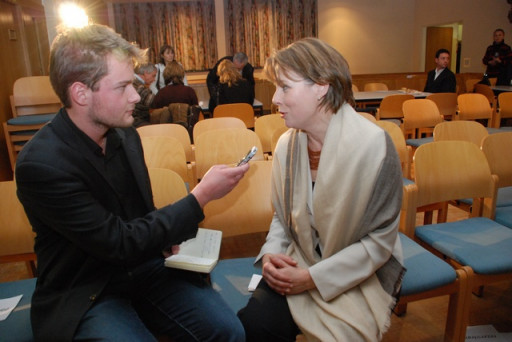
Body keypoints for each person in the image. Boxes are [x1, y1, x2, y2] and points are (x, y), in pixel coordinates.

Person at [15, 24, 248, 342]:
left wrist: (165, 242)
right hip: (87, 288)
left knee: (228, 331)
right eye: (123, 86)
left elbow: (141, 215)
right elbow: (118, 242)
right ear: (81, 93)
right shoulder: (41, 164)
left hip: (145, 268)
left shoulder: (125, 135)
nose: (136, 95)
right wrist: (200, 196)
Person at [237, 38, 405, 341]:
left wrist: (312, 278)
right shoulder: (286, 145)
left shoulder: (376, 148)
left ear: (322, 86)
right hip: (298, 255)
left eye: (285, 87)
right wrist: (271, 255)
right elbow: (283, 217)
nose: (275, 98)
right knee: (254, 324)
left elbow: (380, 242)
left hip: (356, 269)